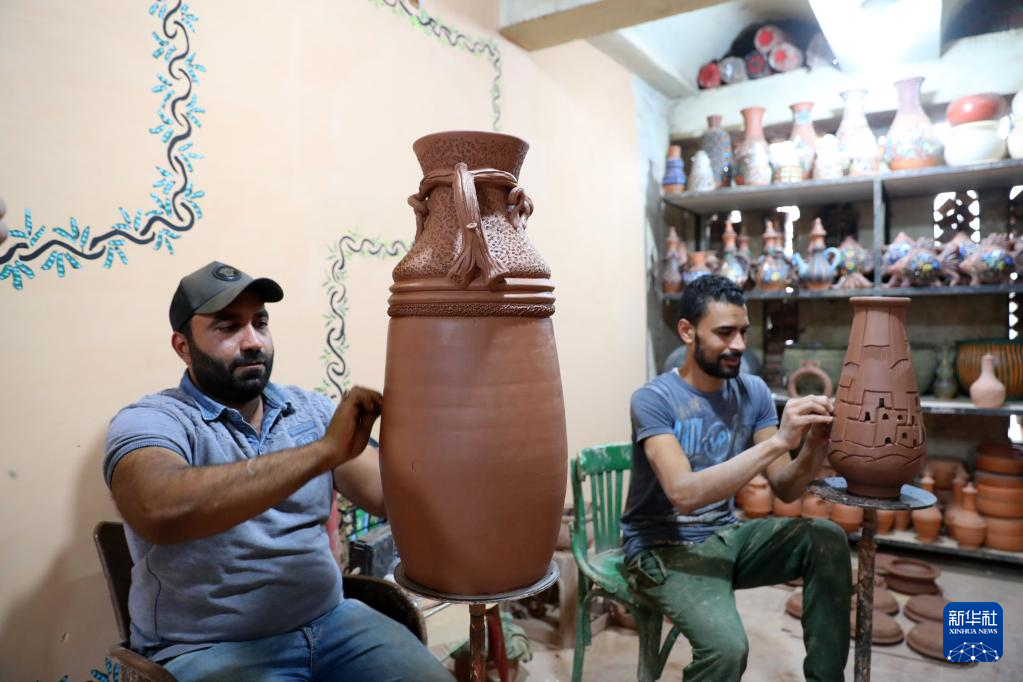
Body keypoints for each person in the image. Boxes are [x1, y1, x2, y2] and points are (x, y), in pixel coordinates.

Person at [103, 261, 451, 681]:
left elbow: (385, 496)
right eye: (228, 327)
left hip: (333, 622)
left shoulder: (310, 410)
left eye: (260, 323)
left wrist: (429, 418)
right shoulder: (154, 420)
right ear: (183, 346)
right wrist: (322, 453)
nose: (253, 341)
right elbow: (156, 510)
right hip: (208, 647)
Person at [621, 274, 851, 682]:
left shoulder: (753, 392)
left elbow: (785, 487)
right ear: (687, 331)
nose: (740, 345)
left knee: (826, 538)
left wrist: (814, 446)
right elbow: (683, 494)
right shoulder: (653, 399)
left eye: (743, 331)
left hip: (726, 536)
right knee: (727, 651)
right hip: (661, 549)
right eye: (725, 333)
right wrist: (779, 441)